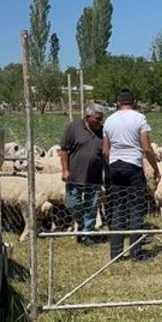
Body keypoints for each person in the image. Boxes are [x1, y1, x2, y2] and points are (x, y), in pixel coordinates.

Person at [102, 89, 160, 262]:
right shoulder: (139, 118)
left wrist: (112, 165)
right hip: (133, 166)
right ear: (133, 101)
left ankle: (116, 253)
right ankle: (136, 253)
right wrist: (156, 169)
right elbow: (147, 148)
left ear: (117, 102)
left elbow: (105, 150)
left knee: (117, 209)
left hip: (114, 166)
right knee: (136, 210)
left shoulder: (109, 120)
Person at [59, 104, 105, 246]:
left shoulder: (103, 132)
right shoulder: (73, 128)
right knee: (72, 202)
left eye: (101, 119)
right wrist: (65, 169)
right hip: (75, 175)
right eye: (97, 119)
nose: (100, 122)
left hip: (94, 176)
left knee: (92, 205)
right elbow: (64, 150)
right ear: (88, 117)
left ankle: (87, 234)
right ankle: (81, 224)